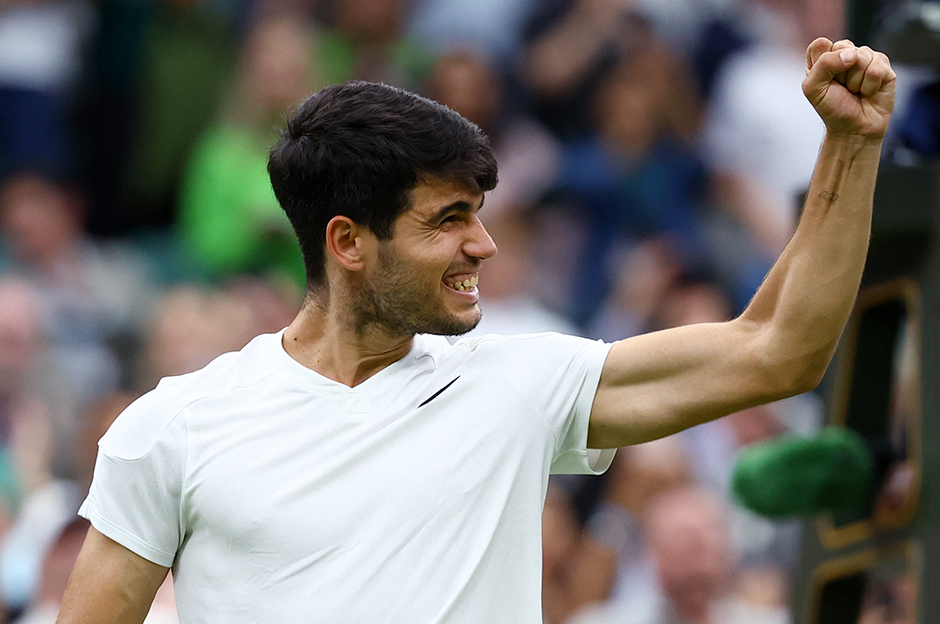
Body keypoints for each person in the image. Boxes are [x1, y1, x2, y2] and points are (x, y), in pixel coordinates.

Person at [57, 38, 895, 624]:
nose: (484, 245)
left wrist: (851, 148)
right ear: (348, 243)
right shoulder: (174, 428)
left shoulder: (522, 385)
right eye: (447, 220)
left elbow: (775, 350)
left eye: (479, 214)